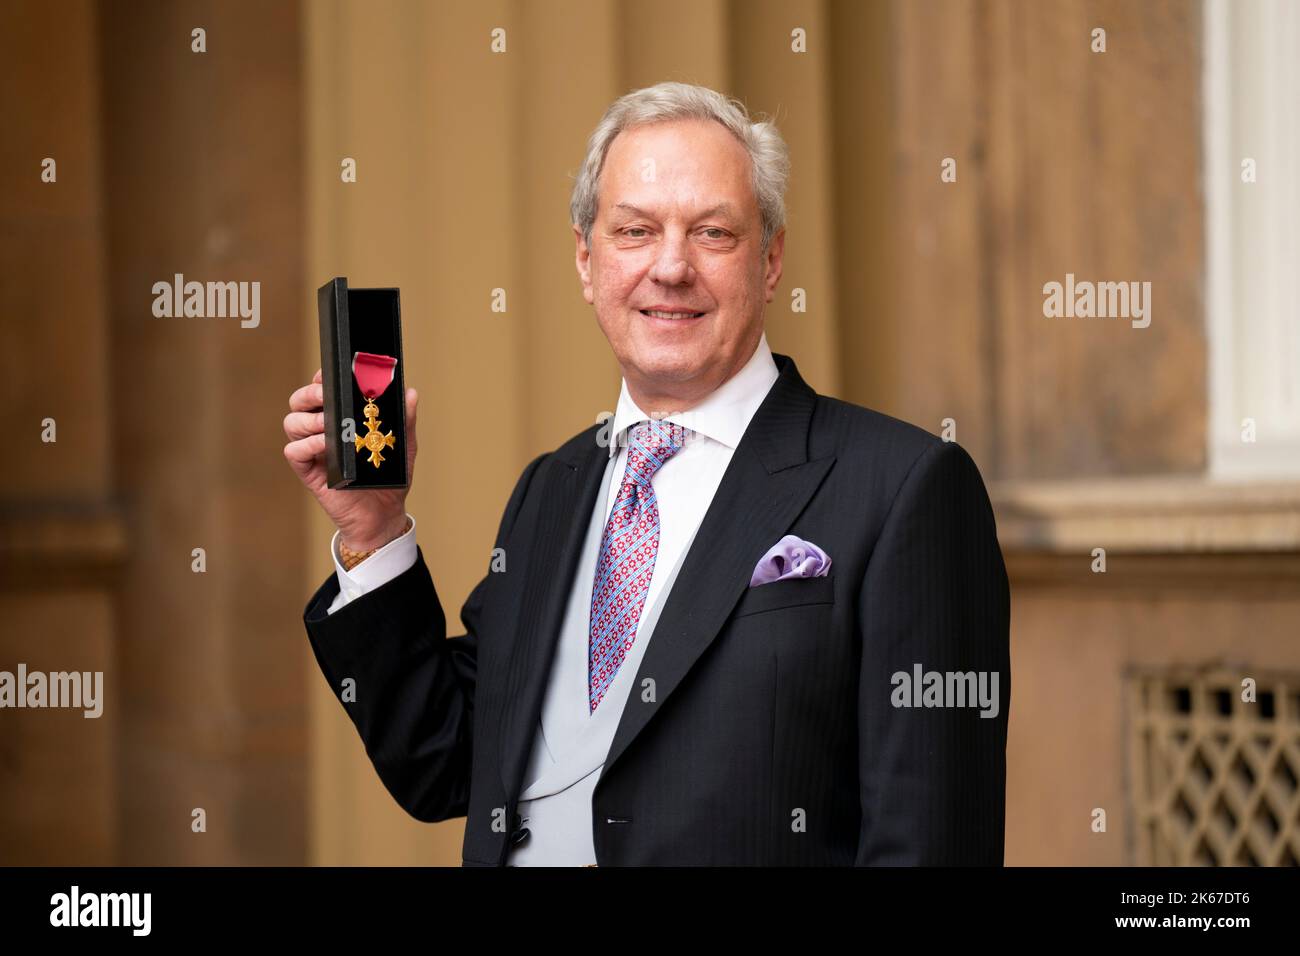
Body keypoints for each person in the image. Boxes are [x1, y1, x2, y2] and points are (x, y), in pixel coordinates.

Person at [284, 81, 1010, 866]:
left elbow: (931, 840)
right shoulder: (550, 490)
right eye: (634, 231)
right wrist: (376, 531)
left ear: (770, 260)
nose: (670, 268)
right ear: (586, 260)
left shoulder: (907, 489)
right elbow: (446, 762)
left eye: (713, 234)